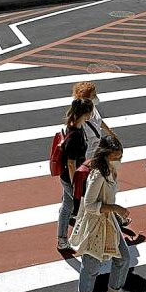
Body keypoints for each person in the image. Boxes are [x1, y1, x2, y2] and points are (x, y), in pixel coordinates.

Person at [70, 136, 135, 292]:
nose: (119, 161)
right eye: (115, 157)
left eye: (120, 157)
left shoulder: (110, 171)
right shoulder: (97, 174)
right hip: (95, 224)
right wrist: (115, 208)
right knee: (91, 265)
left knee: (123, 258)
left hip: (109, 221)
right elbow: (90, 205)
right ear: (105, 156)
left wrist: (116, 215)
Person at [57, 98, 93, 251]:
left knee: (66, 207)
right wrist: (75, 185)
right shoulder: (76, 135)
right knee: (80, 208)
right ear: (85, 114)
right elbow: (71, 163)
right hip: (73, 178)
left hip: (68, 176)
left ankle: (62, 240)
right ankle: (68, 239)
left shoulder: (73, 127)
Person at [72, 82, 119, 158]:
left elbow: (99, 120)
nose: (96, 97)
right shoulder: (80, 118)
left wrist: (110, 132)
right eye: (93, 95)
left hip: (96, 148)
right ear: (86, 99)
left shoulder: (92, 107)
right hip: (87, 154)